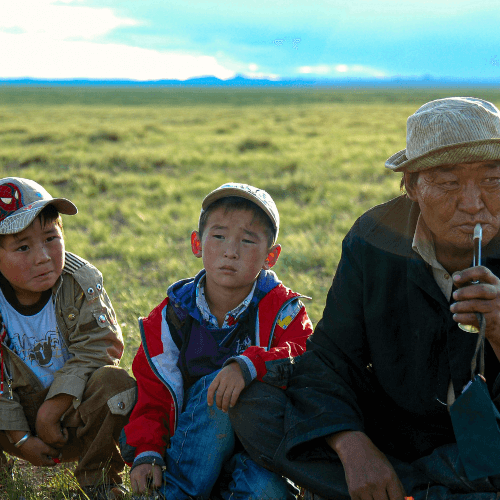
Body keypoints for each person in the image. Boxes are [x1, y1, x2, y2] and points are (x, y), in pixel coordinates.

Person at [228, 97, 500, 500]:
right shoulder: (374, 239)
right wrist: (350, 443)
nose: (474, 203)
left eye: (493, 181)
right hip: (391, 430)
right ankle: (427, 486)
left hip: (488, 438)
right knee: (255, 402)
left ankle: (400, 489)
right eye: (449, 183)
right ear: (411, 185)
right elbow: (331, 357)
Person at [120, 182, 314, 499]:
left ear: (271, 256)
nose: (230, 251)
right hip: (189, 454)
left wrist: (249, 366)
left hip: (255, 452)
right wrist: (147, 452)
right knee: (219, 390)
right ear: (197, 243)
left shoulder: (284, 311)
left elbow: (304, 355)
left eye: (247, 241)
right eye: (219, 236)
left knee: (269, 492)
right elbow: (152, 393)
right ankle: (178, 494)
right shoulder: (171, 317)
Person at [0, 177, 136, 500]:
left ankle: (97, 480)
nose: (43, 256)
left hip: (73, 416)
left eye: (51, 238)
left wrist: (53, 407)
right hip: (11, 423)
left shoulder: (78, 280)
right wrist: (21, 439)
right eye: (23, 247)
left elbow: (101, 345)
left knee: (115, 383)